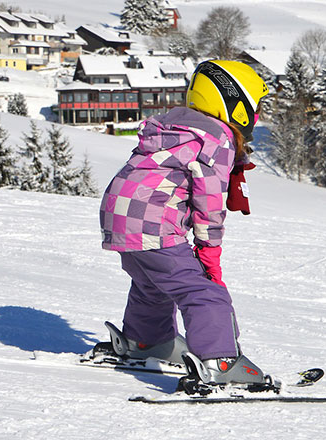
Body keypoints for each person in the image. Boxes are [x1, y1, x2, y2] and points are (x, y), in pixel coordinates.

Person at [99, 60, 269, 388]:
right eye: (257, 106)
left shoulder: (176, 126)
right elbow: (209, 200)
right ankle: (220, 361)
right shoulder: (216, 137)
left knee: (153, 283)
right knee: (203, 292)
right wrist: (209, 250)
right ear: (237, 103)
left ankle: (148, 341)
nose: (257, 115)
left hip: (118, 214)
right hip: (152, 222)